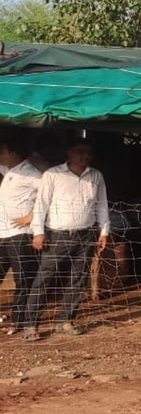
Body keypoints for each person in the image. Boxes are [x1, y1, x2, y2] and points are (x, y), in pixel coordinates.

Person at [24, 137, 111, 339]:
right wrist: (38, 232)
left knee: (78, 280)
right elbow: (41, 205)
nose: (85, 156)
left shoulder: (95, 176)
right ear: (69, 153)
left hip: (86, 234)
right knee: (45, 278)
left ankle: (65, 320)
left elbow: (101, 204)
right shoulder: (53, 174)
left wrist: (104, 231)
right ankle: (31, 325)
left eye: (88, 152)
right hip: (57, 235)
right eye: (80, 151)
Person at [0, 138, 42, 338]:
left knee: (23, 279)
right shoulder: (8, 170)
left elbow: (48, 193)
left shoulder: (31, 174)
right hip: (2, 234)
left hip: (20, 235)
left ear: (13, 154)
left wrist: (31, 216)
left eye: (3, 152)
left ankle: (20, 319)